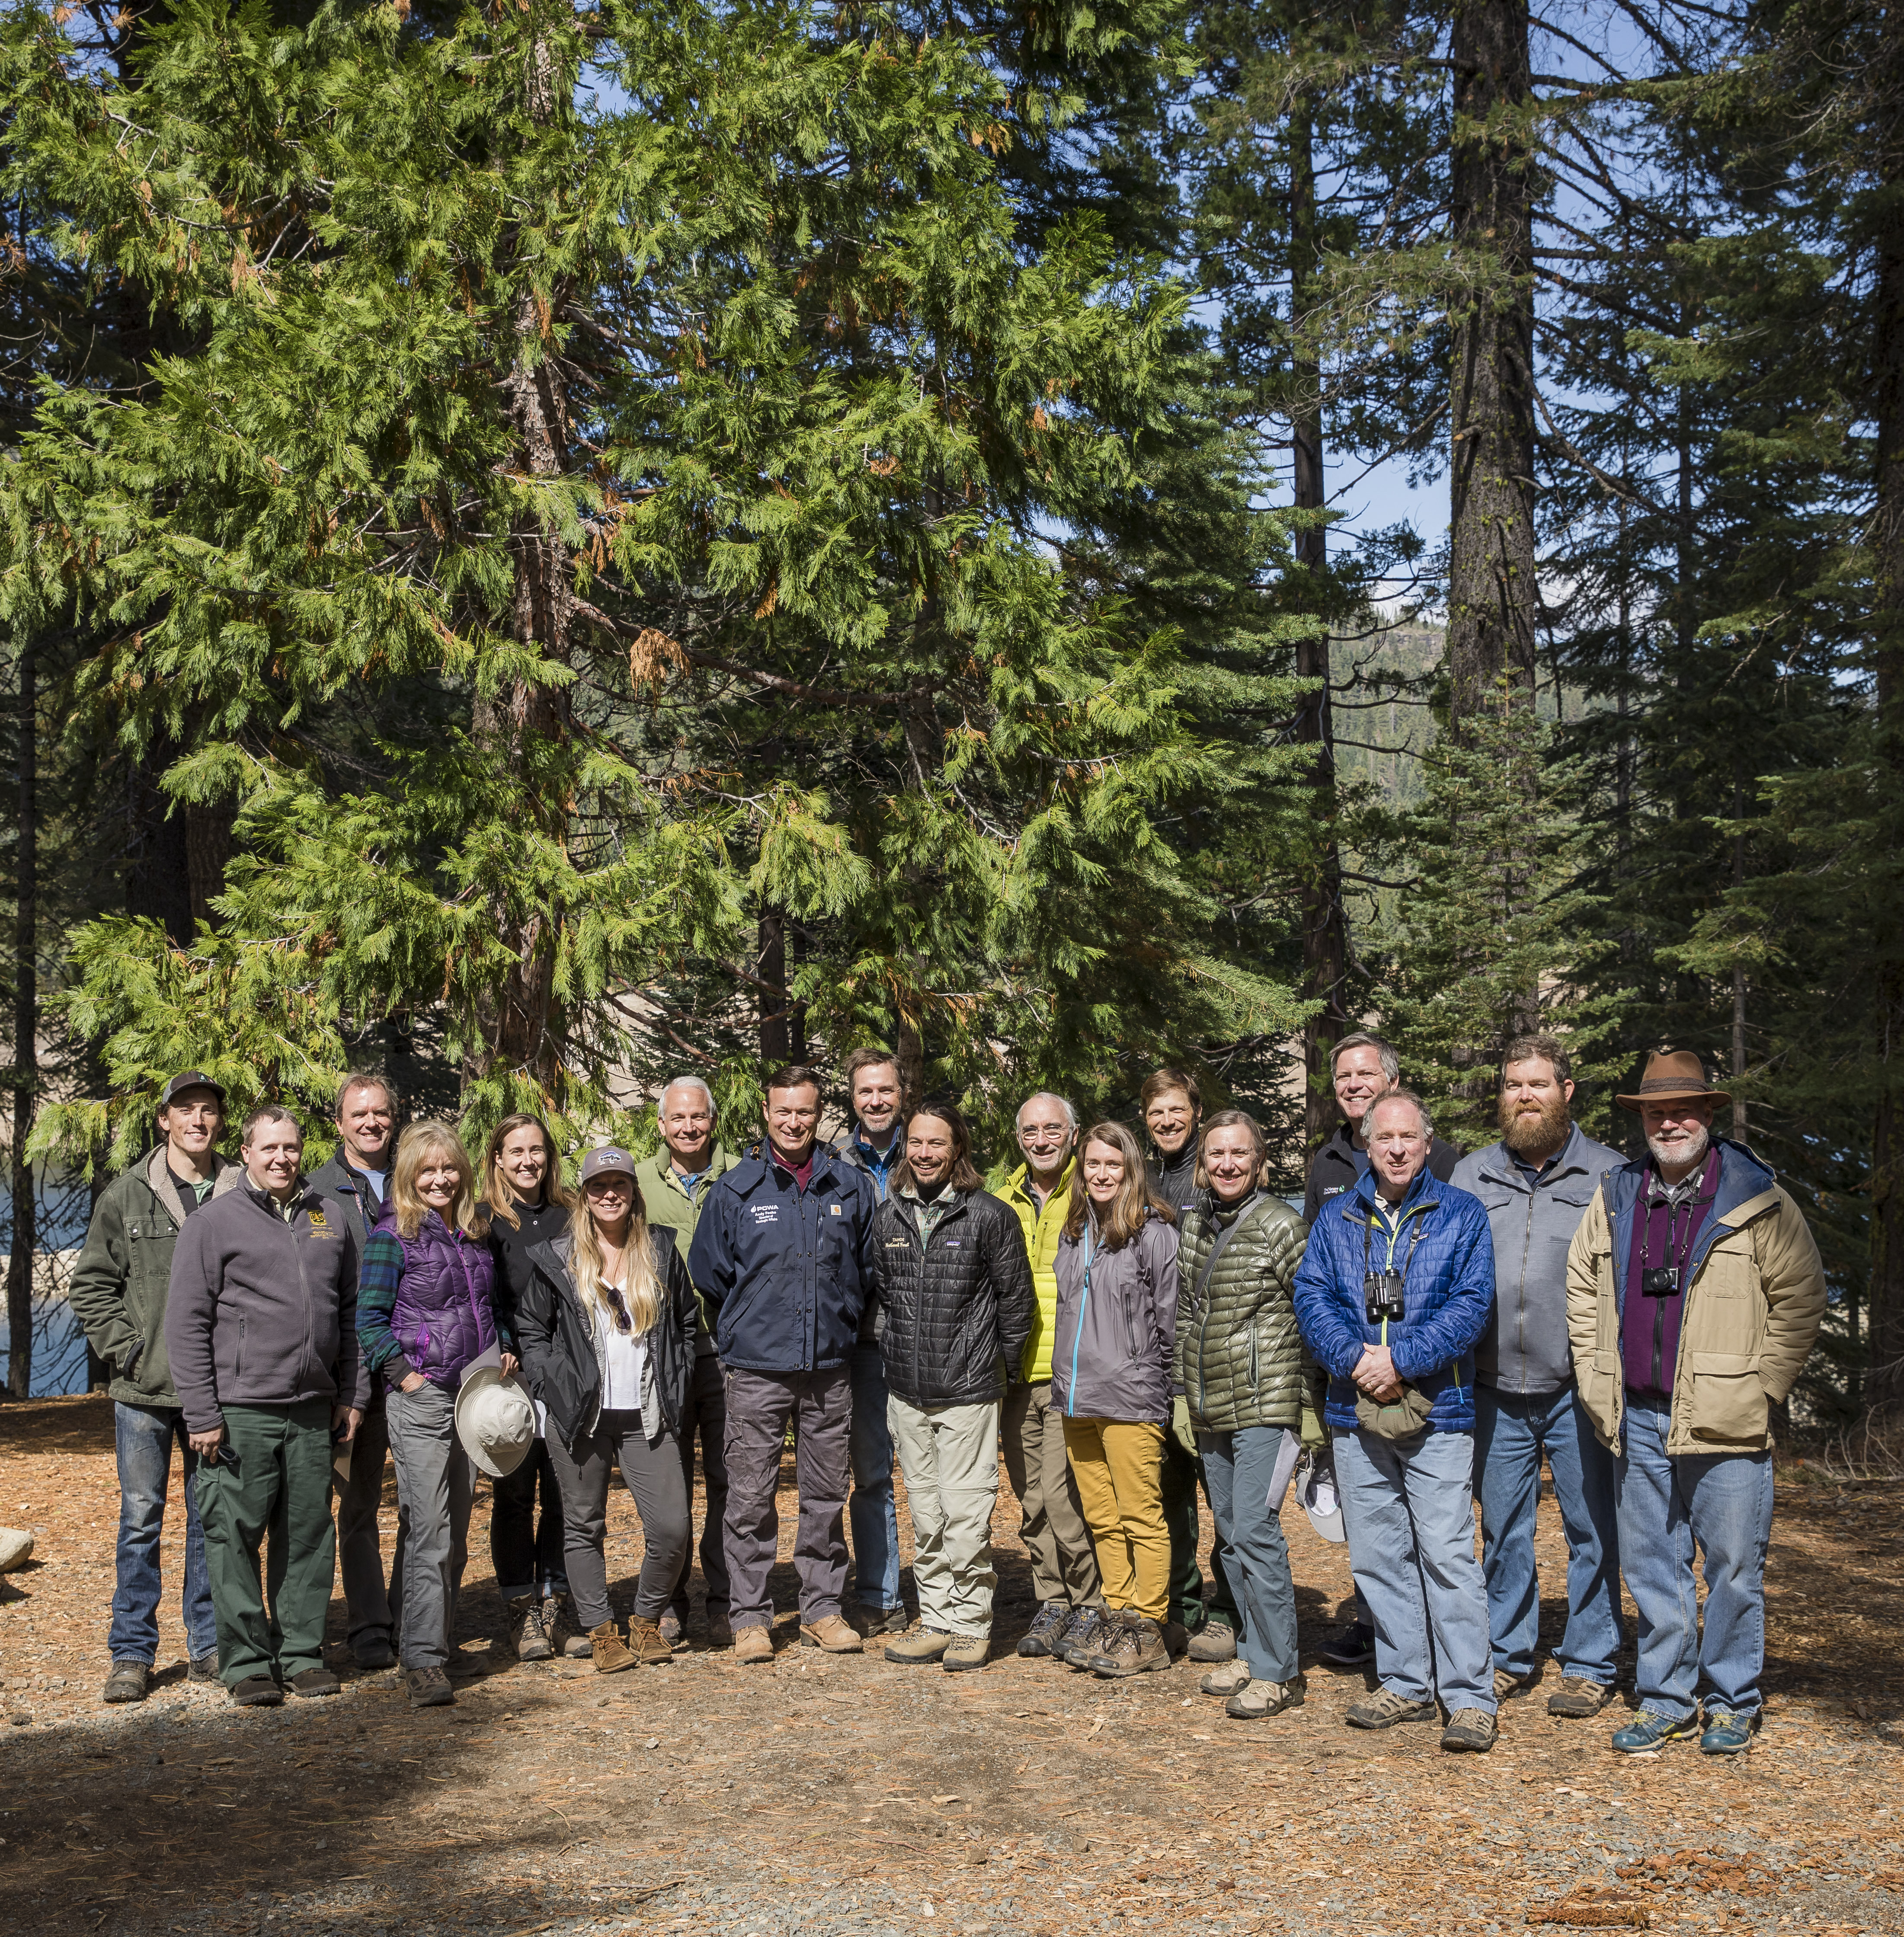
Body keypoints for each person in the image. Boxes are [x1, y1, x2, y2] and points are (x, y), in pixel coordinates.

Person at [1566, 1048, 1825, 1756]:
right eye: (1655, 1112)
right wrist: (1596, 1382)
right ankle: (1666, 1700)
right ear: (1640, 1120)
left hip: (1726, 1423)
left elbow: (1801, 1299)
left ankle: (1731, 1702)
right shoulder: (1616, 1195)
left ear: (1706, 1114)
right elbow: (1582, 1293)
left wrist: (1761, 1385)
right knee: (1653, 1568)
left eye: (1681, 1110)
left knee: (1733, 1569)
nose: (1669, 1122)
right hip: (1638, 1417)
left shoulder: (1756, 1200)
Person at [1293, 1090, 1499, 1753]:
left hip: (1439, 1409)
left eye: (1408, 1137)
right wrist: (1355, 1360)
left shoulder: (1460, 1214)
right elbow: (1311, 1294)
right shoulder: (1336, 1218)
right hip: (1353, 1411)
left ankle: (1468, 1696)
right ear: (1366, 1145)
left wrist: (1402, 1361)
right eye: (1383, 1139)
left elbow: (1470, 1305)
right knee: (1380, 1556)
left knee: (1444, 1554)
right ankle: (1406, 1682)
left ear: (1427, 1141)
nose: (1397, 1149)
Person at [165, 1104, 367, 1708]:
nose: (282, 1158)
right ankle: (247, 1662)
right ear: (247, 1153)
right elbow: (186, 1323)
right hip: (240, 1411)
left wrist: (353, 1393)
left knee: (307, 1535)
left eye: (291, 1148)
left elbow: (352, 1315)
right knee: (232, 1537)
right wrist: (201, 1414)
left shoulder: (325, 1215)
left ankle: (302, 1655)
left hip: (312, 1408)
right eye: (269, 1148)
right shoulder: (214, 1222)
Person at [1450, 1036, 1624, 1716]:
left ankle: (1588, 1660)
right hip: (1493, 1386)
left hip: (1578, 1389)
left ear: (1566, 1091)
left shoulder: (1609, 1175)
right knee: (1502, 1529)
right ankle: (1507, 1652)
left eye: (1538, 1085)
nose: (1524, 1096)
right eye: (1513, 1085)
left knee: (1591, 1529)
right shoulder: (1470, 1176)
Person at [688, 1065, 879, 1660]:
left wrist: (840, 1319)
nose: (794, 1122)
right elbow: (710, 1276)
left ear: (818, 1114)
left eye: (804, 1111)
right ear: (765, 1116)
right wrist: (752, 1326)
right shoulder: (736, 1191)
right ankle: (749, 1616)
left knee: (824, 1494)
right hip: (755, 1369)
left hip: (828, 1368)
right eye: (783, 1112)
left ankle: (822, 1608)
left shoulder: (848, 1188)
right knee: (749, 1498)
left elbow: (867, 1273)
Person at [68, 1071, 242, 1704]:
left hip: (218, 1391)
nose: (198, 1120)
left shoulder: (239, 1190)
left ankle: (207, 1645)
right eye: (185, 1110)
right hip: (143, 1393)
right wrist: (131, 1350)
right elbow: (91, 1286)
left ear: (220, 1123)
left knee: (209, 1520)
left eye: (208, 1111)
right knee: (141, 1520)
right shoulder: (127, 1194)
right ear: (164, 1120)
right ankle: (132, 1653)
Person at [1302, 1031, 1462, 1671]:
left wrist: (1403, 1360)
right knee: (1368, 1521)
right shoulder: (1327, 1165)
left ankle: (1437, 1646)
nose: (1351, 1084)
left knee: (1435, 1529)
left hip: (1425, 1374)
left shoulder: (1440, 1161)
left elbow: (1454, 1277)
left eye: (1364, 1073)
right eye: (1341, 1076)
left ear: (1390, 1082)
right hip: (1348, 1371)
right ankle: (1378, 1629)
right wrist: (1347, 1359)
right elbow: (1313, 1275)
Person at [516, 1145, 698, 1675]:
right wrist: (554, 1382)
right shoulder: (558, 1255)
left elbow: (685, 1323)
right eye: (599, 1186)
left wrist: (678, 1378)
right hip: (581, 1415)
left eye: (619, 1184)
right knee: (582, 1525)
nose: (610, 1194)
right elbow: (532, 1330)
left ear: (633, 1191)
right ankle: (600, 1631)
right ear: (585, 1194)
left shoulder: (660, 1248)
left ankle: (644, 1621)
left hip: (647, 1413)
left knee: (671, 1529)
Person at [355, 1120, 514, 1708]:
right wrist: (406, 1377)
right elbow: (368, 1321)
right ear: (408, 1178)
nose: (440, 1179)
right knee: (429, 1529)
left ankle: (428, 1639)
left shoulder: (475, 1234)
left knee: (455, 1529)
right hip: (422, 1399)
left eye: (448, 1168)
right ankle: (423, 1661)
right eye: (427, 1170)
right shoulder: (391, 1237)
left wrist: (503, 1345)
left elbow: (489, 1306)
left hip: (474, 1396)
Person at [871, 1103, 1034, 1672]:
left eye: (935, 1144)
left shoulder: (988, 1216)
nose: (923, 1154)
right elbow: (882, 1298)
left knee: (965, 1517)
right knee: (927, 1515)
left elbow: (1017, 1305)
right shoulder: (887, 1215)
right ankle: (937, 1618)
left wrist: (997, 1370)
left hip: (967, 1390)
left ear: (956, 1149)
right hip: (908, 1392)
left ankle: (970, 1624)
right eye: (915, 1142)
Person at [1175, 1110, 1321, 1721]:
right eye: (1216, 1155)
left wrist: (1307, 1406)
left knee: (1255, 1532)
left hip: (1266, 1403)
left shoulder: (1282, 1226)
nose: (1227, 1164)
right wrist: (1183, 1397)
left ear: (1258, 1162)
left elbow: (1312, 1313)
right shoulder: (1195, 1226)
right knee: (1230, 1535)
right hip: (1211, 1403)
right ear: (1202, 1165)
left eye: (1238, 1154)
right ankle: (1251, 1646)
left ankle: (1277, 1669)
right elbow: (1185, 1312)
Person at [1049, 1119, 1181, 1678]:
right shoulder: (1075, 1229)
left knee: (1139, 1516)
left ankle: (1147, 1626)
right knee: (1101, 1518)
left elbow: (1171, 1320)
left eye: (1112, 1165)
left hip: (1131, 1397)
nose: (1101, 1174)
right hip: (1076, 1398)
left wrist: (1168, 1391)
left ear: (1130, 1170)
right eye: (1092, 1164)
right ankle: (1118, 1611)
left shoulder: (1153, 1233)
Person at [996, 1092, 1104, 1660]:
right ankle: (1052, 1599)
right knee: (1031, 1498)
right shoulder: (999, 1201)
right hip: (1016, 1376)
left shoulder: (1091, 1193)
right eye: (1030, 1131)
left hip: (1074, 1373)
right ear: (1019, 1138)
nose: (1041, 1140)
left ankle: (1089, 1601)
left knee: (1065, 1498)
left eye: (1052, 1130)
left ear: (1072, 1133)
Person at [633, 1075, 738, 1646]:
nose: (689, 1127)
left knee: (729, 1485)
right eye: (678, 1118)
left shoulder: (741, 1177)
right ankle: (669, 1602)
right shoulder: (638, 1182)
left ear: (711, 1120)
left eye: (698, 1117)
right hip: (660, 1359)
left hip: (728, 1356)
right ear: (661, 1125)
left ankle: (723, 1601)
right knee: (667, 1486)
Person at [1141, 1068, 1239, 1663]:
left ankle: (1229, 1609)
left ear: (1195, 1112)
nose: (1167, 1121)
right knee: (1167, 1495)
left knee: (1225, 1496)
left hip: (1212, 1361)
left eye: (1176, 1110)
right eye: (1156, 1112)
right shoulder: (1138, 1175)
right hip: (1152, 1365)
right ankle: (1181, 1604)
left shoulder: (1215, 1172)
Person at [309, 1072, 403, 1671]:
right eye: (359, 1114)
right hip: (349, 1374)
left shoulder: (419, 1176)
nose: (371, 1123)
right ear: (339, 1122)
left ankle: (409, 1616)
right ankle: (358, 1626)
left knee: (423, 1505)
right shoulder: (316, 1189)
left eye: (381, 1113)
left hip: (416, 1367)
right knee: (351, 1504)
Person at [479, 1113, 580, 1662]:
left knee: (566, 1493)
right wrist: (500, 1347)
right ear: (497, 1157)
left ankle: (557, 1605)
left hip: (567, 1375)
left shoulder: (572, 1214)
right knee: (516, 1496)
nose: (527, 1161)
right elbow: (483, 1295)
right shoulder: (484, 1221)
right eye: (515, 1151)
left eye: (536, 1150)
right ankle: (522, 1610)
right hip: (512, 1379)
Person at [830, 1046, 909, 1637]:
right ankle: (878, 1593)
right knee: (871, 1473)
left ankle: (945, 1590)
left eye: (885, 1090)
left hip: (929, 1339)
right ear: (851, 1098)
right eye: (865, 1092)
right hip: (859, 1341)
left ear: (900, 1093)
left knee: (940, 1473)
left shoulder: (932, 1149)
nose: (876, 1101)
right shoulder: (833, 1163)